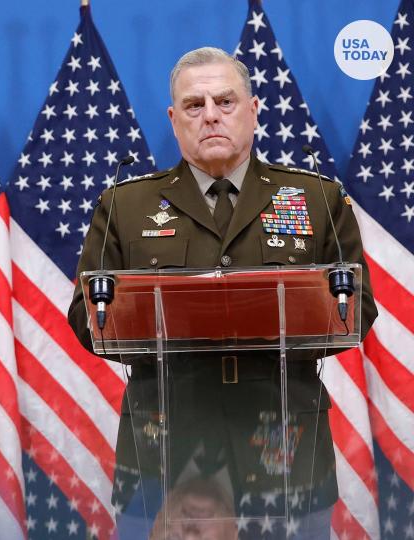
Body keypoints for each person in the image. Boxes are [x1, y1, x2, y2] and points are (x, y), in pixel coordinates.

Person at [68, 47, 377, 539]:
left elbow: (358, 311)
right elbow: (87, 320)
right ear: (174, 119)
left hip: (284, 443)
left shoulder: (316, 198)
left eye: (225, 101)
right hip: (165, 445)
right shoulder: (125, 205)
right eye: (194, 105)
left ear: (253, 111)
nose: (210, 114)